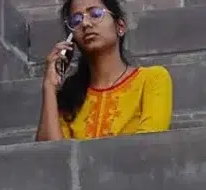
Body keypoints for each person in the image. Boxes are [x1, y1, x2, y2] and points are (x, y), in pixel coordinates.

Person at [36, 0, 171, 142]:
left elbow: (147, 148)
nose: (86, 24)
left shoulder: (152, 79)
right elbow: (51, 156)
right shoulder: (70, 98)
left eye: (95, 14)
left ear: (120, 26)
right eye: (76, 20)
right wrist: (49, 86)